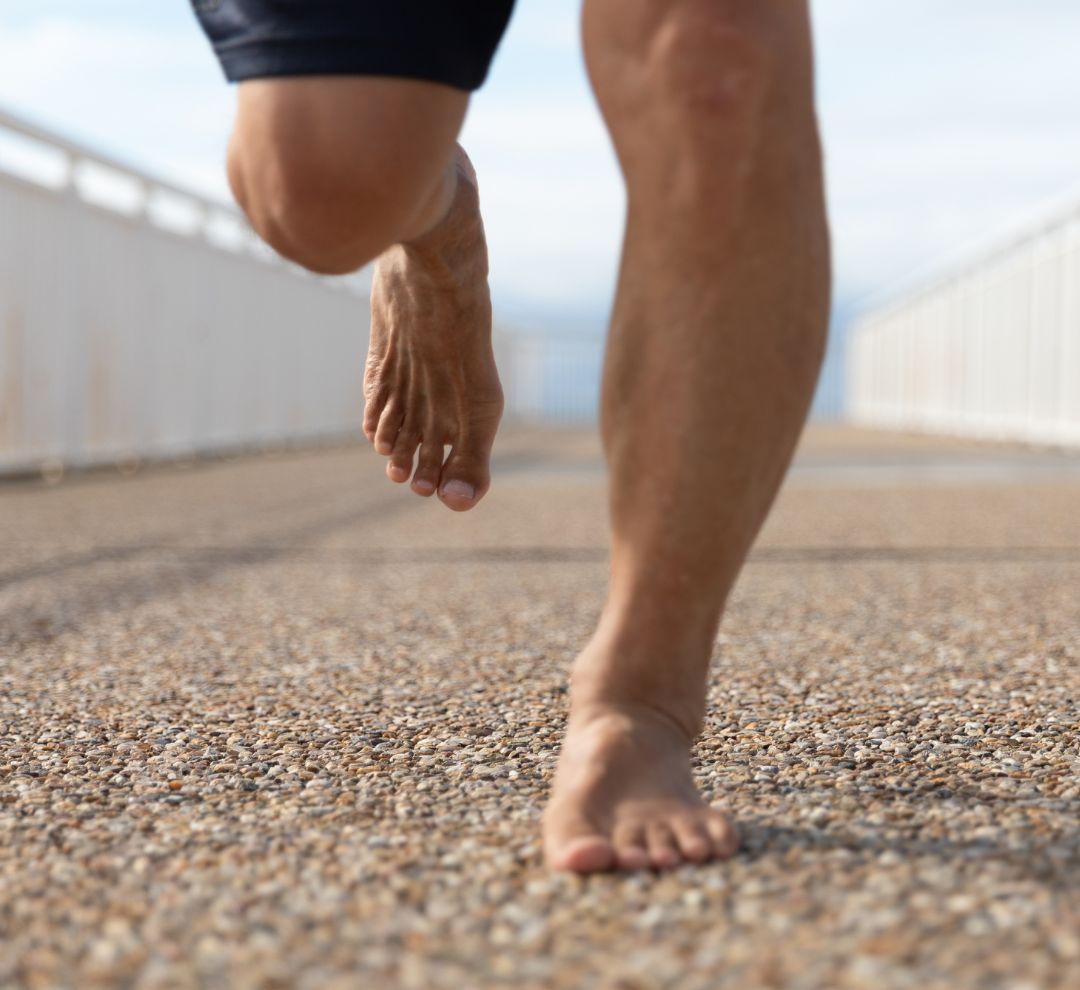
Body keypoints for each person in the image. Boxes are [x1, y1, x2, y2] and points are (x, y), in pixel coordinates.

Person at [193, 0, 831, 874]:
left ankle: (640, 696)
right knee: (321, 187)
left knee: (714, 55)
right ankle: (430, 214)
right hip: (352, 186)